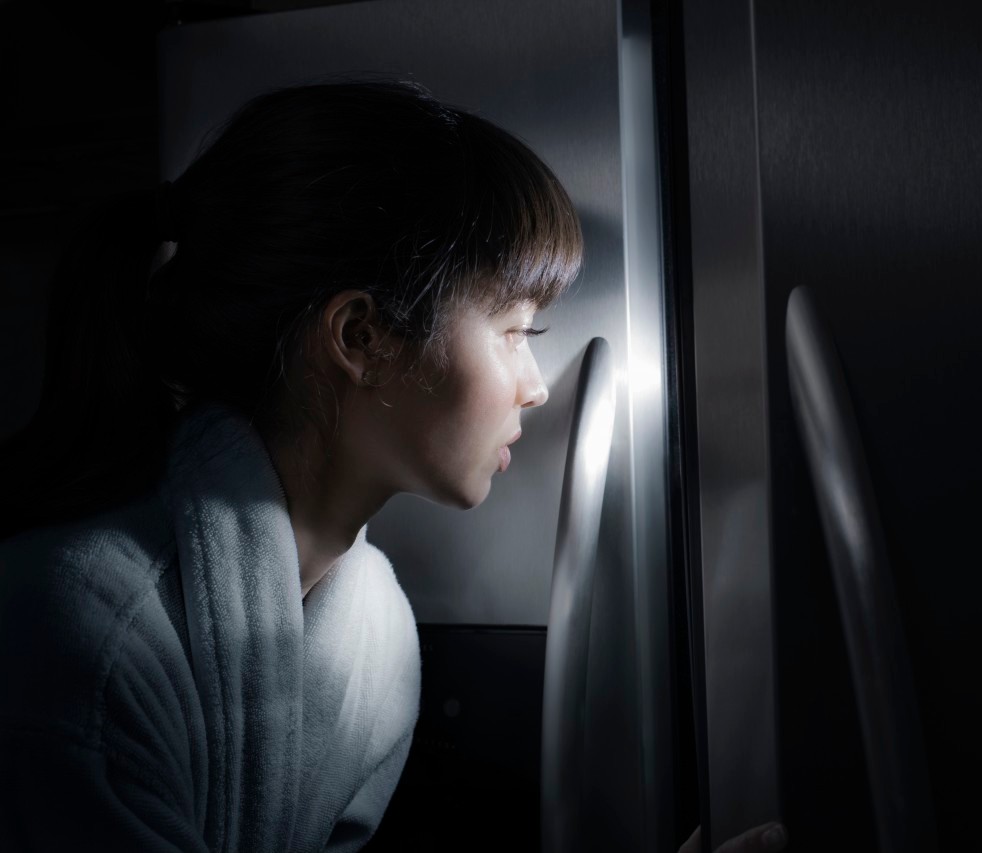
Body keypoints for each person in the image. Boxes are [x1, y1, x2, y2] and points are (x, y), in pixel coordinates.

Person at [0, 79, 578, 851]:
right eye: (513, 331)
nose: (536, 387)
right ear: (361, 337)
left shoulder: (377, 640)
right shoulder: (78, 636)